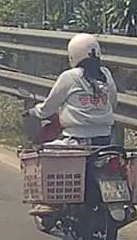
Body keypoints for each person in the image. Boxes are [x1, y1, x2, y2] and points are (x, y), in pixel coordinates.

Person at [26, 32, 118, 216]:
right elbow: (113, 102)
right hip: (105, 141)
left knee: (45, 155)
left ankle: (50, 202)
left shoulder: (69, 77)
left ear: (73, 55)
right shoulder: (106, 75)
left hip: (77, 141)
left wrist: (34, 111)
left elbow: (48, 107)